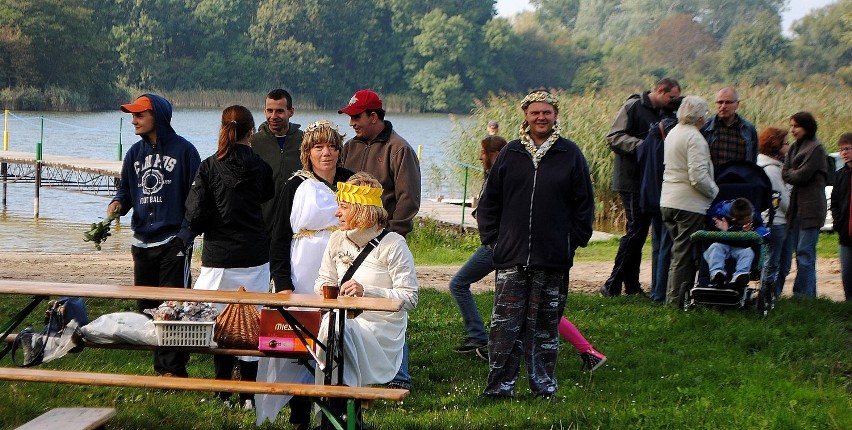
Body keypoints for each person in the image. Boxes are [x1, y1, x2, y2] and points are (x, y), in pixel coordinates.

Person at [450, 135, 606, 372]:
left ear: (494, 153)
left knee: (460, 284)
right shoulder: (498, 174)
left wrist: (495, 241)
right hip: (507, 245)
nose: (480, 157)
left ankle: (481, 339)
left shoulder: (509, 173)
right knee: (537, 304)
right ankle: (584, 350)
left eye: (483, 152)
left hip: (505, 248)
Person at [477, 90, 595, 399]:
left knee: (544, 329)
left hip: (552, 257)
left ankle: (544, 388)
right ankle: (499, 388)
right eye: (534, 113)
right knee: (505, 328)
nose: (540, 117)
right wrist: (492, 240)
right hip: (511, 257)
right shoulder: (511, 152)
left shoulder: (570, 154)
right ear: (526, 116)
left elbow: (584, 203)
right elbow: (490, 200)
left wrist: (573, 241)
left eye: (546, 112)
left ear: (555, 115)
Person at [256, 120, 354, 428]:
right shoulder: (296, 184)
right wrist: (283, 283)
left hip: (342, 269)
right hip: (302, 273)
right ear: (307, 152)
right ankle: (300, 415)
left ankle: (334, 409)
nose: (326, 153)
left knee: (337, 341)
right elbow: (279, 237)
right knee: (302, 344)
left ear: (339, 150)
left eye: (332, 146)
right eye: (318, 147)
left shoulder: (351, 183)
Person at [184, 105, 274, 409]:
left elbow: (195, 211)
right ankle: (248, 395)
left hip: (219, 257)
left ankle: (222, 392)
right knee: (254, 323)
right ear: (251, 132)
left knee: (217, 322)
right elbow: (265, 195)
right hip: (254, 255)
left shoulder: (209, 167)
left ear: (223, 129)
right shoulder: (261, 166)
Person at [313, 173, 418, 424]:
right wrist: (328, 288)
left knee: (338, 328)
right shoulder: (336, 239)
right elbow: (322, 279)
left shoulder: (393, 244)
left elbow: (410, 298)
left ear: (361, 210)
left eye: (344, 207)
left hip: (380, 331)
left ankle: (332, 416)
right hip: (342, 326)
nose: (337, 213)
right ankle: (339, 416)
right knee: (336, 326)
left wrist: (367, 292)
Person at [108, 94, 200, 377]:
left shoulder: (185, 151)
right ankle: (159, 365)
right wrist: (118, 204)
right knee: (148, 308)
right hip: (141, 243)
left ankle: (173, 368)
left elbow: (197, 199)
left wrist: (184, 237)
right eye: (132, 116)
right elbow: (125, 190)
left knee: (173, 308)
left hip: (173, 242)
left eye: (140, 115)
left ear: (157, 117)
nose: (133, 120)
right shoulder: (134, 153)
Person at [338, 89, 421, 390]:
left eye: (356, 117)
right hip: (352, 240)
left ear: (374, 116)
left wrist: (389, 238)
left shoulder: (399, 149)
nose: (352, 123)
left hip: (386, 242)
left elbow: (408, 200)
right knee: (354, 302)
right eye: (350, 118)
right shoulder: (348, 148)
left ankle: (399, 376)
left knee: (392, 305)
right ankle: (356, 367)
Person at [601, 77, 681, 297]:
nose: (675, 102)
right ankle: (612, 283)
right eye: (672, 97)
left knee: (637, 232)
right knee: (635, 231)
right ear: (660, 91)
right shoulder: (633, 106)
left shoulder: (666, 113)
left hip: (650, 182)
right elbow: (614, 137)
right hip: (631, 179)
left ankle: (631, 286)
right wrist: (644, 146)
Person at [660, 95, 719, 307]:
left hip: (668, 199)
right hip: (689, 204)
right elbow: (697, 176)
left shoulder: (673, 133)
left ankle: (678, 296)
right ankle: (675, 302)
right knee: (683, 255)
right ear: (699, 117)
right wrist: (714, 192)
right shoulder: (695, 138)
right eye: (705, 114)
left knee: (678, 252)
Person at [637, 96, 683, 303]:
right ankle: (661, 294)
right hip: (667, 195)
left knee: (657, 246)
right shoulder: (675, 133)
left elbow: (640, 157)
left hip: (650, 195)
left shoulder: (653, 131)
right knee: (667, 246)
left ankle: (656, 291)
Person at [782, 112, 827, 298]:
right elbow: (785, 173)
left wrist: (794, 172)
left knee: (805, 253)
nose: (792, 130)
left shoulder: (816, 148)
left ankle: (802, 295)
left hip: (811, 208)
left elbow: (801, 175)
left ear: (807, 127)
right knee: (801, 253)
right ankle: (809, 296)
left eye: (796, 126)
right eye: (791, 126)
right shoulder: (793, 148)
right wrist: (794, 172)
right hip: (796, 209)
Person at [252, 88, 304, 236]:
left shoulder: (305, 141)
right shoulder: (254, 143)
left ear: (291, 112)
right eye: (269, 111)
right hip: (262, 226)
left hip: (296, 226)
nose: (273, 116)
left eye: (279, 111)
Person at [756, 127, 794, 298]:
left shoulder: (776, 165)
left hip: (779, 221)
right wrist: (794, 213)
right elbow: (783, 199)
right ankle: (769, 295)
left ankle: (773, 294)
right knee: (774, 262)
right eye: (786, 143)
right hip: (777, 221)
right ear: (776, 145)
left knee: (779, 262)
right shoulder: (771, 169)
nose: (788, 146)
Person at [704, 198, 768, 287]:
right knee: (715, 248)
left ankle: (740, 276)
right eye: (747, 220)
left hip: (740, 246)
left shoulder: (753, 214)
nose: (750, 221)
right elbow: (710, 227)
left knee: (748, 252)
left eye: (750, 218)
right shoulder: (719, 213)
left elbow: (761, 228)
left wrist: (756, 234)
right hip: (722, 243)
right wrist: (733, 229)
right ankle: (717, 274)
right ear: (734, 219)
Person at [701, 87, 759, 168]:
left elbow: (753, 160)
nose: (723, 106)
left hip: (739, 179)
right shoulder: (706, 127)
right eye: (720, 102)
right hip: (713, 178)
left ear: (737, 104)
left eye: (727, 102)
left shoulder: (748, 130)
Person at [831, 133, 852, 301]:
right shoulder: (839, 175)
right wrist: (838, 223)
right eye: (841, 150)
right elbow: (835, 202)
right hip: (845, 234)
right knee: (847, 275)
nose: (843, 153)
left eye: (847, 149)